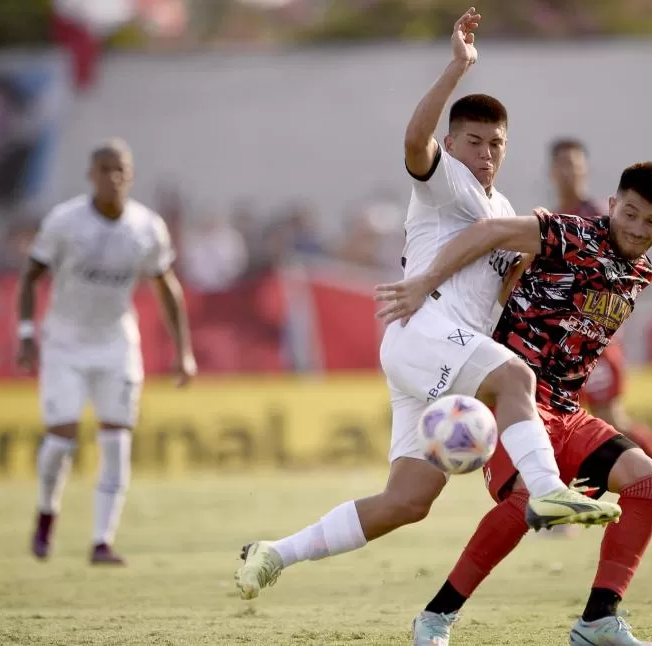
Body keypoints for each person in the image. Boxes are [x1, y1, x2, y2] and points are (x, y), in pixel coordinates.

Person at [233, 7, 620, 602]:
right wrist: (456, 68)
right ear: (452, 143)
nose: (486, 153)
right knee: (512, 376)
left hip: (439, 354)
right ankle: (545, 489)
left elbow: (507, 287)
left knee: (407, 502)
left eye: (496, 143)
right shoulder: (445, 184)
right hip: (426, 333)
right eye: (473, 141)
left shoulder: (503, 206)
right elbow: (414, 142)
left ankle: (272, 554)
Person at [378, 162, 652, 646]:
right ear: (611, 206)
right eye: (630, 213)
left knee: (649, 483)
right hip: (511, 399)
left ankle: (598, 621)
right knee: (524, 503)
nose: (638, 228)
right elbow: (491, 231)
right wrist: (426, 281)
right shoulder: (569, 232)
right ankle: (435, 618)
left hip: (568, 409)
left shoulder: (641, 272)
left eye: (651, 220)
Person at [17, 138, 196, 565]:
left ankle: (101, 541)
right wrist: (26, 335)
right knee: (61, 441)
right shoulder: (65, 222)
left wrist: (183, 350)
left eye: (121, 170)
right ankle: (46, 514)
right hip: (65, 341)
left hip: (116, 341)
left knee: (116, 441)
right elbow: (30, 277)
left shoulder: (147, 226)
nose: (113, 178)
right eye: (105, 170)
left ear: (130, 175)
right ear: (91, 175)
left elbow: (165, 285)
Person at [550, 137, 652, 533]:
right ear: (552, 171)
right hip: (560, 347)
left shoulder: (603, 216)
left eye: (576, 164)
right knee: (558, 420)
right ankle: (560, 501)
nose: (571, 171)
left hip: (595, 346)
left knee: (610, 421)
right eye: (563, 164)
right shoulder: (555, 218)